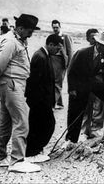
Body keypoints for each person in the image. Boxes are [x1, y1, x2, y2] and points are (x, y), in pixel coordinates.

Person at [0, 14, 41, 173]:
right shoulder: (11, 41)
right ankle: (17, 161)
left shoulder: (17, 39)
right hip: (11, 83)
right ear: (20, 28)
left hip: (10, 84)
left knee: (5, 120)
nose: (31, 34)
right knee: (22, 120)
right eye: (30, 30)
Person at [63, 32, 104, 146]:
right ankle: (71, 139)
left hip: (92, 83)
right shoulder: (82, 52)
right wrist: (72, 89)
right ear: (99, 44)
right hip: (79, 84)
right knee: (75, 111)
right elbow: (71, 71)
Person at [25, 34, 63, 163]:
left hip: (41, 100)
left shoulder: (44, 55)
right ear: (50, 44)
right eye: (57, 48)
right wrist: (41, 102)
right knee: (43, 126)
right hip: (39, 100)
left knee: (40, 126)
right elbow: (35, 82)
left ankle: (36, 150)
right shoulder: (40, 56)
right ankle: (32, 153)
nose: (58, 51)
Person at [81, 29, 104, 140]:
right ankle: (83, 131)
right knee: (86, 107)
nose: (94, 40)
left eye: (96, 38)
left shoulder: (103, 53)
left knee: (99, 106)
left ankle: (95, 129)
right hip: (86, 83)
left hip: (98, 83)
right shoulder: (83, 52)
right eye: (92, 38)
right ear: (88, 39)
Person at [50, 20, 73, 110]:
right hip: (52, 61)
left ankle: (53, 104)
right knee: (53, 82)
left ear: (60, 27)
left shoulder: (65, 37)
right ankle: (59, 103)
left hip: (62, 62)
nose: (55, 29)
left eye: (57, 27)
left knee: (58, 83)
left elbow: (70, 51)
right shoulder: (52, 37)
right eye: (54, 27)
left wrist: (69, 64)